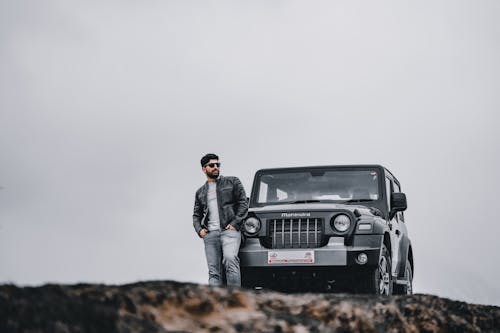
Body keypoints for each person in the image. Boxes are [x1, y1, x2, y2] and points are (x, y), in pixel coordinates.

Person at [193, 153, 248, 287]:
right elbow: (196, 215)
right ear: (204, 169)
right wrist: (200, 230)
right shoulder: (200, 192)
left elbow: (243, 203)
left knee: (230, 260)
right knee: (214, 272)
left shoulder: (233, 182)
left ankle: (235, 299)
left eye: (218, 164)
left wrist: (235, 224)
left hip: (230, 231)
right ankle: (216, 302)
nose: (216, 167)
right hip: (210, 235)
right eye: (212, 165)